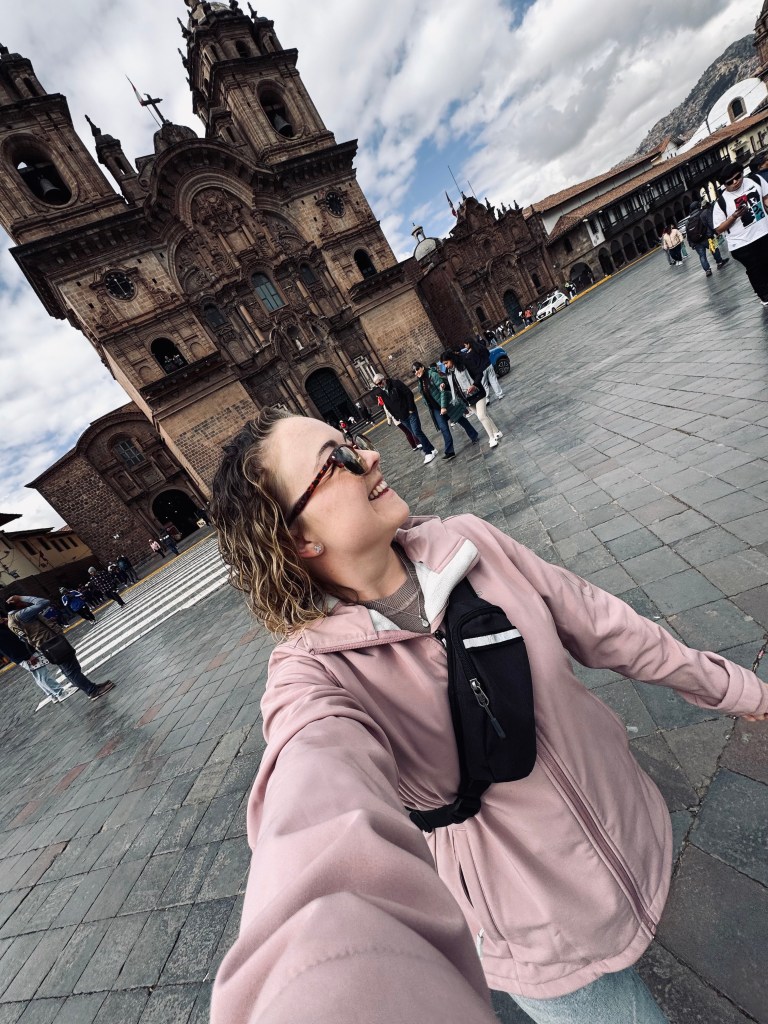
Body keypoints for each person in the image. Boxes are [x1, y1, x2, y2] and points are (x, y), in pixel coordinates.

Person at [208, 409, 768, 1024]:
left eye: (352, 444)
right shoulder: (313, 673)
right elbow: (312, 793)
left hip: (627, 824)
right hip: (530, 925)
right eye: (334, 462)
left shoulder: (472, 544)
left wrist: (740, 691)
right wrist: (317, 971)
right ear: (298, 540)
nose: (369, 457)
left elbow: (609, 626)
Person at [6, 595, 114, 701]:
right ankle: (92, 691)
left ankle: (91, 687)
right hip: (52, 642)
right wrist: (21, 597)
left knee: (70, 669)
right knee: (71, 670)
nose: (25, 602)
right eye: (20, 600)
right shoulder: (21, 614)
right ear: (16, 603)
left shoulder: (12, 620)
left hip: (46, 644)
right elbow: (43, 602)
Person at [713, 160, 768, 305]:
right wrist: (734, 216)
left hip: (763, 232)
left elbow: (766, 199)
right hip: (742, 243)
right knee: (755, 269)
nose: (735, 182)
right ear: (725, 184)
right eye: (730, 182)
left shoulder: (755, 180)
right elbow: (718, 229)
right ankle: (764, 295)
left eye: (738, 177)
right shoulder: (721, 203)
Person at [413, 361, 479, 459]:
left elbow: (442, 391)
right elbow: (424, 396)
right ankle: (450, 451)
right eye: (414, 371)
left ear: (422, 367)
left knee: (460, 419)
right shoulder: (420, 382)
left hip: (446, 404)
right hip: (436, 409)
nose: (416, 372)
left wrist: (443, 406)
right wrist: (427, 404)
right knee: (444, 428)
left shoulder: (433, 375)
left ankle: (474, 436)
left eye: (417, 369)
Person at [0, 612, 69, 703]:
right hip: (26, 655)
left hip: (23, 656)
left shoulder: (2, 628)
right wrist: (28, 657)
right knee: (42, 674)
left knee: (39, 675)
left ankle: (52, 695)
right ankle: (60, 693)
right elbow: (12, 647)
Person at [440, 350, 502, 449]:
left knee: (481, 416)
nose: (446, 366)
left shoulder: (464, 364)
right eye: (444, 364)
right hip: (467, 399)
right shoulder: (449, 373)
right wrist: (445, 386)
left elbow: (479, 373)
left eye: (446, 363)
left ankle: (492, 438)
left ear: (451, 359)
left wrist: (474, 385)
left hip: (477, 393)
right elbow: (455, 387)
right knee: (484, 416)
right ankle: (497, 432)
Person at [371, 372, 436, 465]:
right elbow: (388, 406)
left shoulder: (395, 383)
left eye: (380, 382)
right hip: (401, 417)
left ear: (384, 379)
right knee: (415, 433)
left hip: (410, 412)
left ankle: (428, 452)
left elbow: (408, 393)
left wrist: (410, 408)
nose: (380, 385)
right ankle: (432, 449)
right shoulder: (382, 392)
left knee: (416, 431)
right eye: (377, 384)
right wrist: (396, 417)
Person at [685, 200, 729, 277]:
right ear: (698, 206)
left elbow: (688, 233)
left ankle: (707, 270)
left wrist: (691, 244)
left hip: (696, 242)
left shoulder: (688, 221)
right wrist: (716, 232)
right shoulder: (704, 212)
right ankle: (719, 262)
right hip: (708, 237)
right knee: (714, 249)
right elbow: (710, 223)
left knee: (702, 256)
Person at [468, 338, 503, 402]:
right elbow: (488, 353)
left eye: (465, 345)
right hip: (488, 365)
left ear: (469, 344)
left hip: (481, 369)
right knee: (494, 380)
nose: (465, 346)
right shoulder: (481, 346)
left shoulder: (470, 353)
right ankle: (500, 394)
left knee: (484, 384)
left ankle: (487, 399)